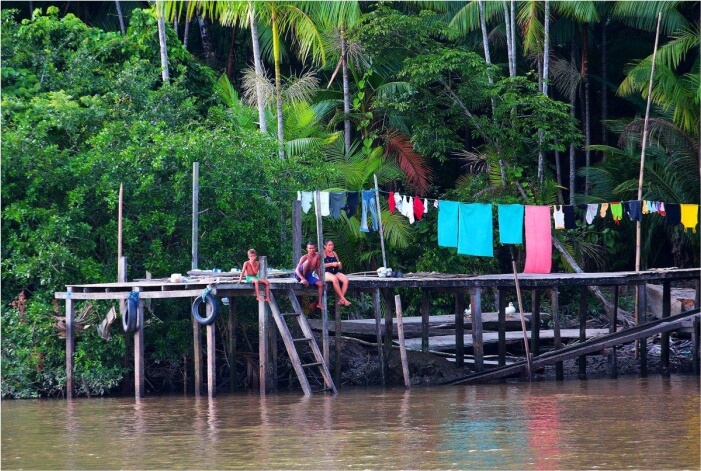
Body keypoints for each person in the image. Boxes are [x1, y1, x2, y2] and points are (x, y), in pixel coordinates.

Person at [295, 242, 324, 311]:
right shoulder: (304, 257)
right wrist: (302, 278)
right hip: (300, 274)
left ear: (315, 248)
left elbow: (318, 268)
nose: (312, 250)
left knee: (321, 284)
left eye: (313, 248)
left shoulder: (317, 256)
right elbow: (296, 270)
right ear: (307, 249)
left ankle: (319, 303)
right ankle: (303, 280)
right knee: (307, 262)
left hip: (309, 275)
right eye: (310, 248)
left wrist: (320, 279)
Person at [323, 239, 351, 306]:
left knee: (345, 280)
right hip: (326, 272)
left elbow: (339, 267)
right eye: (329, 245)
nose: (331, 246)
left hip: (335, 271)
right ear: (325, 246)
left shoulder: (334, 253)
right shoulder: (322, 253)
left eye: (332, 245)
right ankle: (343, 299)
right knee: (335, 279)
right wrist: (331, 264)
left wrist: (339, 264)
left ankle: (341, 299)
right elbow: (321, 265)